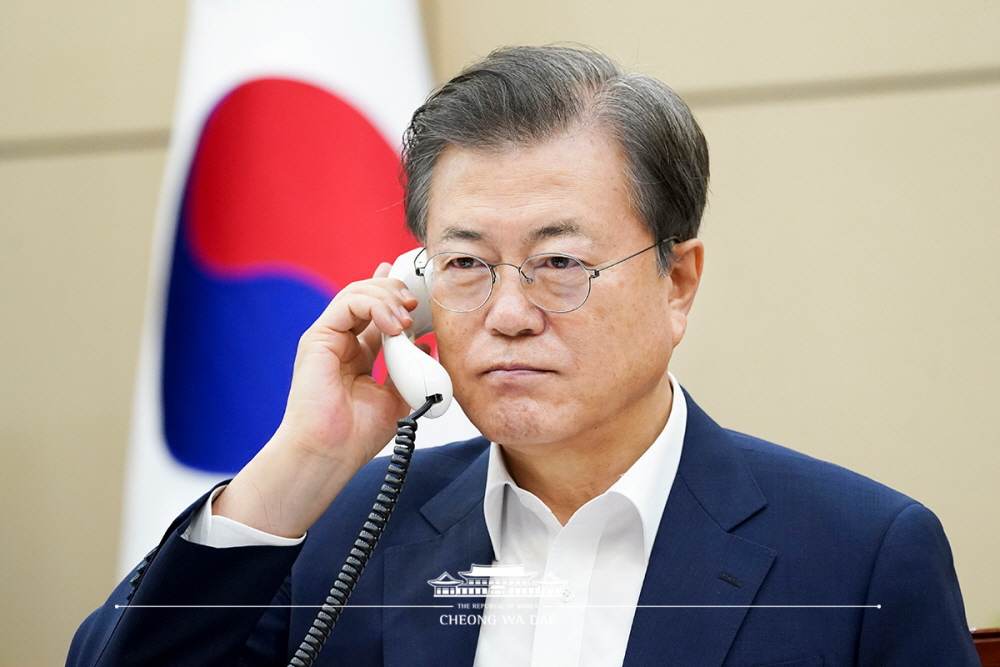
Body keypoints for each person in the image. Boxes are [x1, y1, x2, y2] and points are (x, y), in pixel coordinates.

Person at [68, 45, 979, 667]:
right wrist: (303, 461)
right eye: (465, 264)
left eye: (558, 263)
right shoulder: (345, 531)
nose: (507, 313)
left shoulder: (858, 555)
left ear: (678, 283)